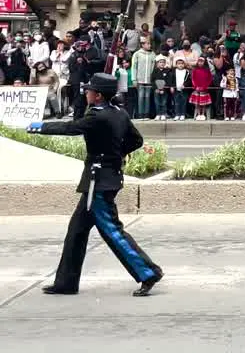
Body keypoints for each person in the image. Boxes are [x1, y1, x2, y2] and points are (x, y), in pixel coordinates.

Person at [26, 72, 163, 297]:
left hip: (98, 183)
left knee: (112, 232)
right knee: (76, 232)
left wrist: (38, 126)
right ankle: (66, 283)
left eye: (89, 90)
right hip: (104, 179)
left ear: (98, 96)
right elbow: (136, 140)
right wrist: (116, 154)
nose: (86, 93)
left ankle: (148, 272)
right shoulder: (119, 113)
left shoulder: (98, 117)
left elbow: (70, 128)